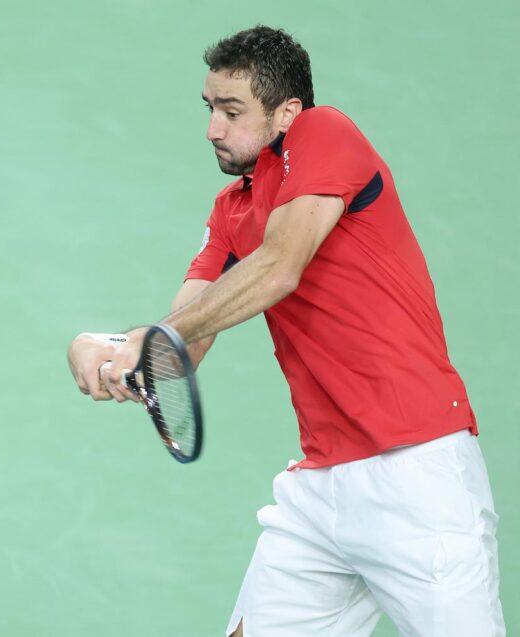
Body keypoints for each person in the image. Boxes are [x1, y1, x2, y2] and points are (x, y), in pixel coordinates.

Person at [67, 26, 504, 636]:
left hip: (416, 473)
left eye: (232, 111)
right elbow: (185, 344)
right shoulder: (230, 210)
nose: (212, 129)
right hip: (320, 488)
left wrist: (153, 337)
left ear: (287, 113)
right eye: (209, 108)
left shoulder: (326, 132)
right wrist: (113, 351)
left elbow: (280, 266)